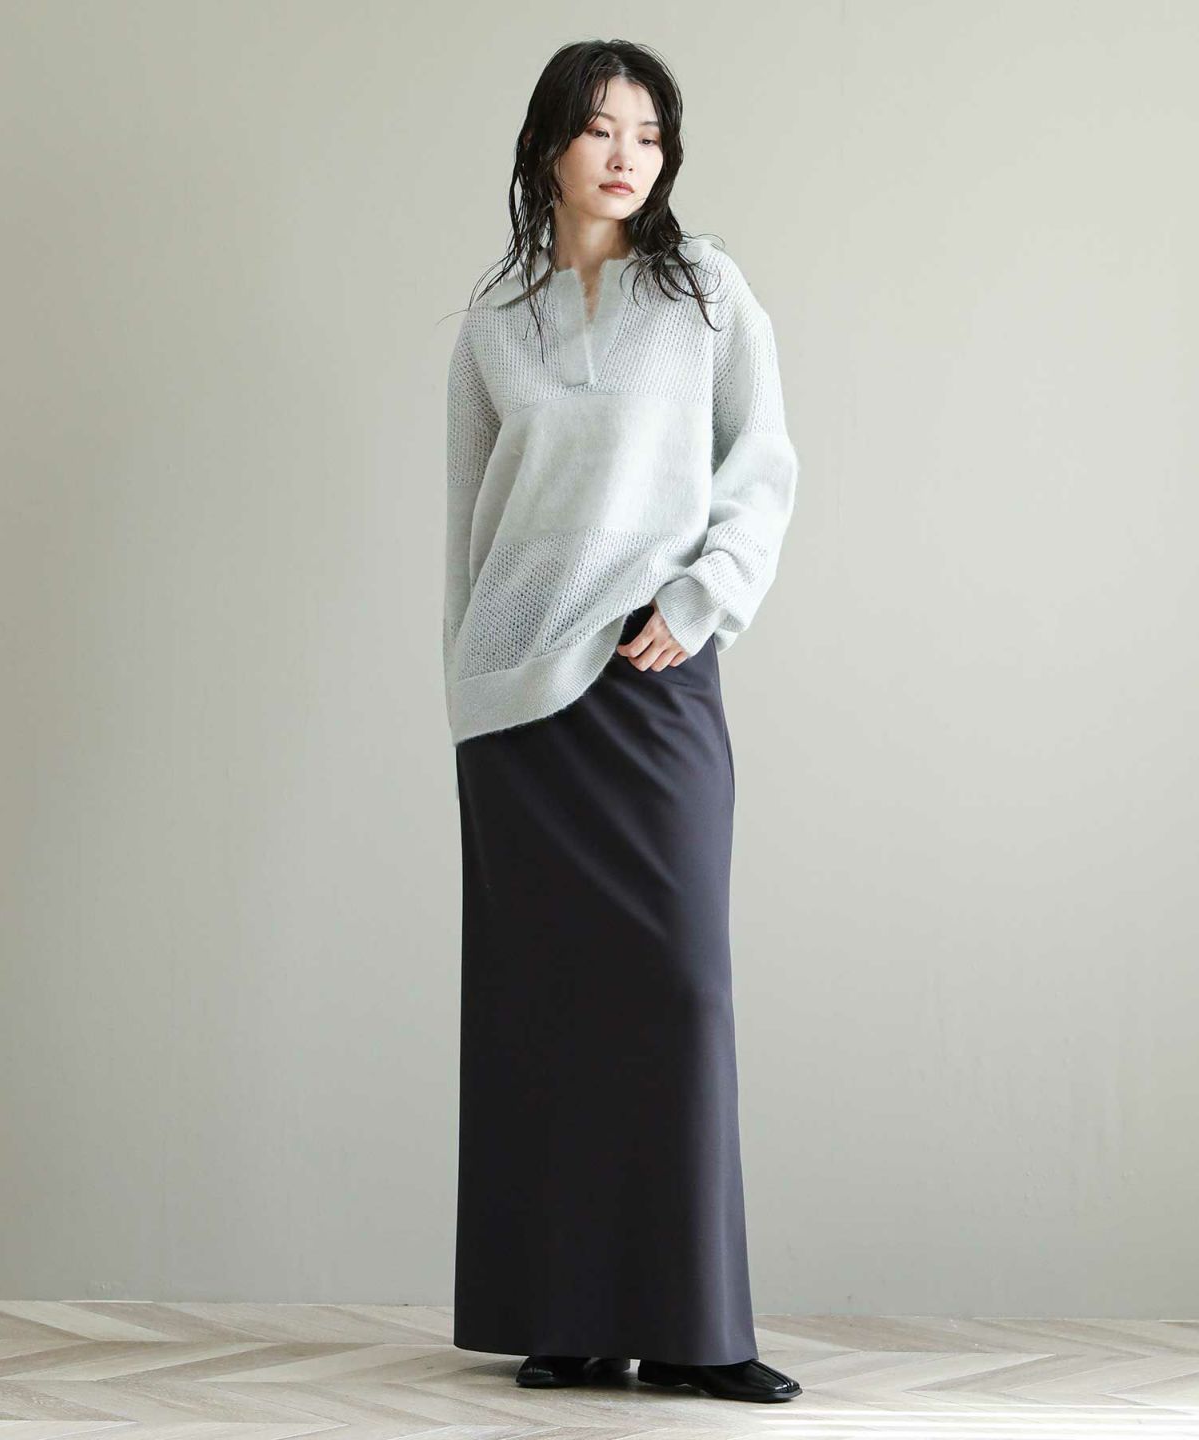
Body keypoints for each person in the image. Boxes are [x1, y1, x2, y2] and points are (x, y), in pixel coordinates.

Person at [442, 38, 803, 1405]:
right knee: (542, 1007)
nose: (625, 154)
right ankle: (569, 1321)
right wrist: (467, 689)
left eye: (648, 134)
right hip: (517, 710)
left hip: (652, 680)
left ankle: (700, 1332)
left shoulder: (705, 291)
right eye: (600, 128)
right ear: (550, 145)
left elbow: (761, 465)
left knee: (678, 990)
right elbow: (467, 530)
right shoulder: (495, 322)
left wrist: (705, 597)